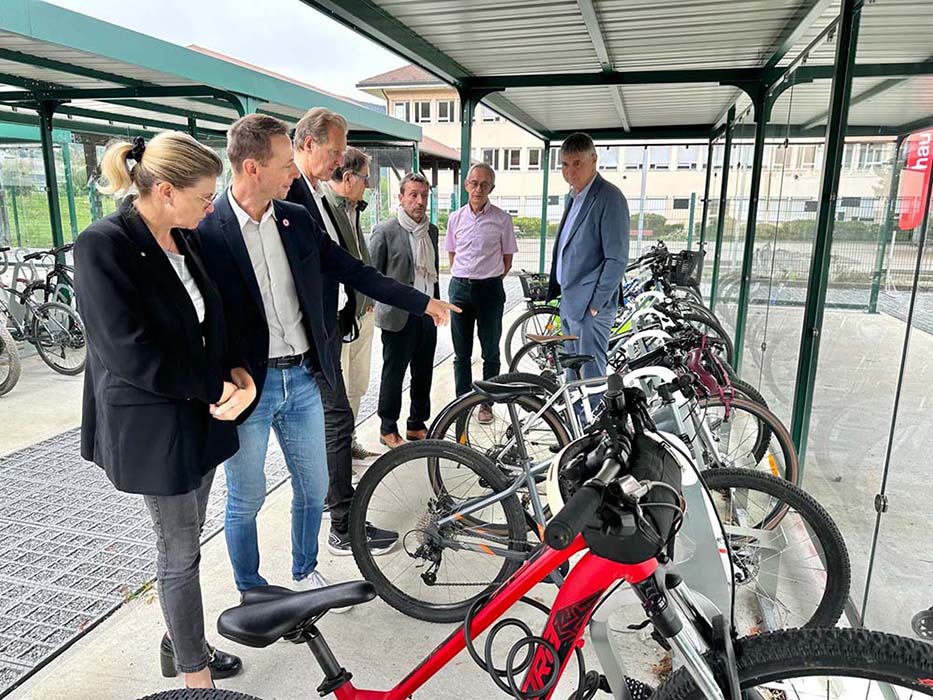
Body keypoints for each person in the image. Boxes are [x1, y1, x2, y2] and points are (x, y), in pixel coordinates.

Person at [197, 114, 458, 599]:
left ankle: (304, 572)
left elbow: (354, 271)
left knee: (313, 488)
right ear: (252, 167)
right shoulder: (207, 228)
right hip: (246, 388)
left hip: (301, 378)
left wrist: (423, 302)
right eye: (283, 162)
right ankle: (252, 590)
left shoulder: (295, 220)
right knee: (246, 498)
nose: (293, 170)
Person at [74, 133, 255, 689]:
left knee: (189, 536)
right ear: (167, 190)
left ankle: (180, 641)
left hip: (201, 411)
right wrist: (213, 387)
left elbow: (213, 320)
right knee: (178, 549)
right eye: (205, 196)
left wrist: (238, 373)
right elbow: (128, 351)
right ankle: (194, 678)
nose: (212, 206)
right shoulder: (103, 244)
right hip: (155, 423)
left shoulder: (184, 236)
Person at [285, 110, 385, 555]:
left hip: (324, 331)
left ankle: (339, 519)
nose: (340, 160)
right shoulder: (290, 195)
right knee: (335, 422)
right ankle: (341, 525)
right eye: (335, 151)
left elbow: (339, 263)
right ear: (307, 144)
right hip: (303, 341)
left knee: (335, 422)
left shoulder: (316, 194)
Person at [546, 132, 630, 379]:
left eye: (577, 163)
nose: (570, 171)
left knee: (591, 376)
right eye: (565, 164)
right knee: (573, 375)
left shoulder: (609, 197)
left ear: (594, 159)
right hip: (570, 302)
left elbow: (617, 259)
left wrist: (595, 304)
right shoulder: (574, 197)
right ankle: (579, 418)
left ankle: (594, 418)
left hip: (590, 307)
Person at [370, 173, 440, 448]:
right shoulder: (385, 231)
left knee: (423, 372)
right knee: (394, 374)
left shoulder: (431, 231)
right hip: (398, 316)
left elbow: (432, 274)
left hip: (427, 312)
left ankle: (416, 424)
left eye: (424, 195)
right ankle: (387, 428)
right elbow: (372, 274)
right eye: (413, 194)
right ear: (401, 197)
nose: (419, 201)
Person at [445, 163, 517, 418]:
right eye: (474, 183)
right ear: (466, 185)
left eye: (484, 184)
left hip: (490, 290)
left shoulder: (502, 219)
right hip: (460, 289)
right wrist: (467, 278)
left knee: (491, 351)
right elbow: (453, 255)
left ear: (492, 188)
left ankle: (487, 403)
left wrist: (488, 279)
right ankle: (462, 403)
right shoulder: (455, 218)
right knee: (461, 352)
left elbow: (507, 259)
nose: (478, 189)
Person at [323, 147, 379, 460]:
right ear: (348, 177)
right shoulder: (323, 208)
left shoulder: (352, 208)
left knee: (358, 384)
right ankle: (337, 452)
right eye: (365, 178)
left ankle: (350, 440)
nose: (368, 184)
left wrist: (367, 299)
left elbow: (360, 257)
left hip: (361, 313)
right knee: (339, 391)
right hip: (340, 320)